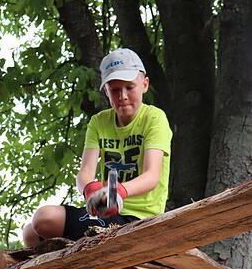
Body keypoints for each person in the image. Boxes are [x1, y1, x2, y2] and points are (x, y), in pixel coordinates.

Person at [22, 48, 172, 248]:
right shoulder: (99, 122)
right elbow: (85, 172)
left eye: (130, 87)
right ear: (106, 91)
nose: (123, 96)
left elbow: (152, 176)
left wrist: (118, 192)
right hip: (105, 215)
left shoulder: (154, 118)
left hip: (139, 220)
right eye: (115, 90)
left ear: (145, 85)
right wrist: (91, 191)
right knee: (30, 232)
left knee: (44, 219)